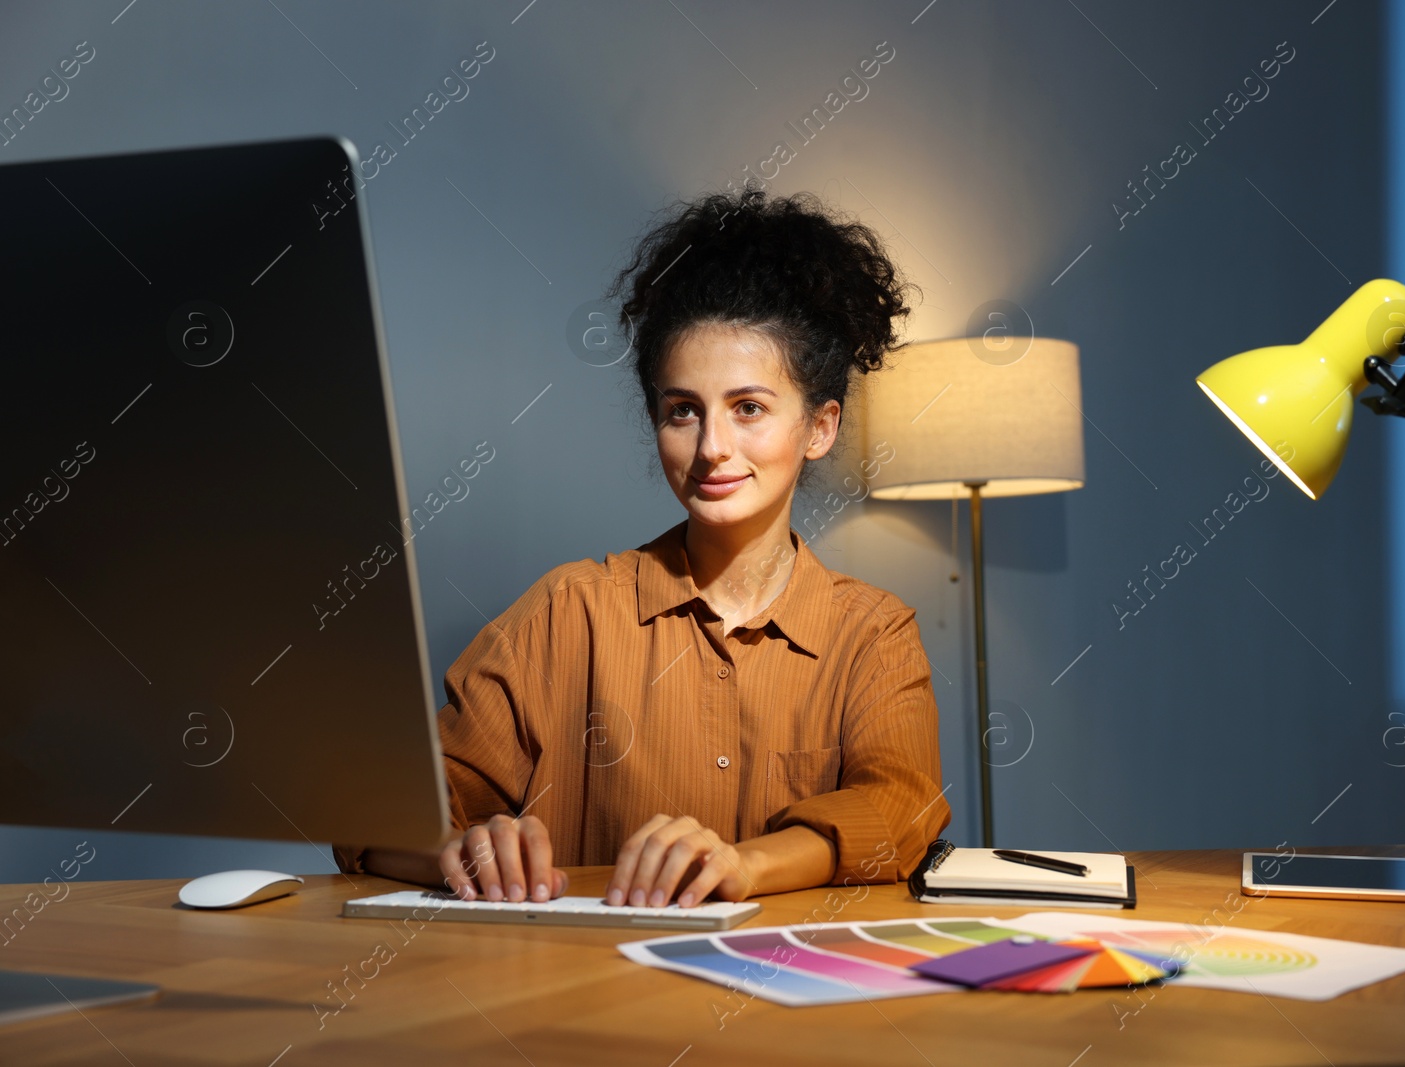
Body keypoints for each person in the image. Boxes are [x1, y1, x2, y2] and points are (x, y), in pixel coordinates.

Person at [335, 185, 951, 909]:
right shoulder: (567, 612)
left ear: (819, 427)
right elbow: (377, 815)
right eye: (682, 410)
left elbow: (901, 809)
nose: (712, 448)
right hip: (584, 1009)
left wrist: (744, 865)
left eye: (748, 408)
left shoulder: (874, 635)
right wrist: (458, 848)